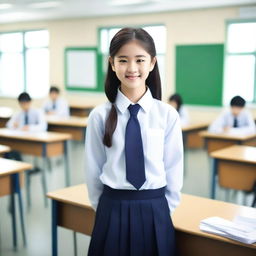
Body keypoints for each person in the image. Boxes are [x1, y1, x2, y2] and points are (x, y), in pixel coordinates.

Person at [85, 27, 183, 256]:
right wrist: (106, 211)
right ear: (112, 63)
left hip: (155, 209)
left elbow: (174, 168)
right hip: (112, 208)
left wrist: (164, 210)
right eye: (123, 60)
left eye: (140, 60)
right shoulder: (99, 116)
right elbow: (92, 170)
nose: (132, 68)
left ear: (152, 63)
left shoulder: (167, 115)